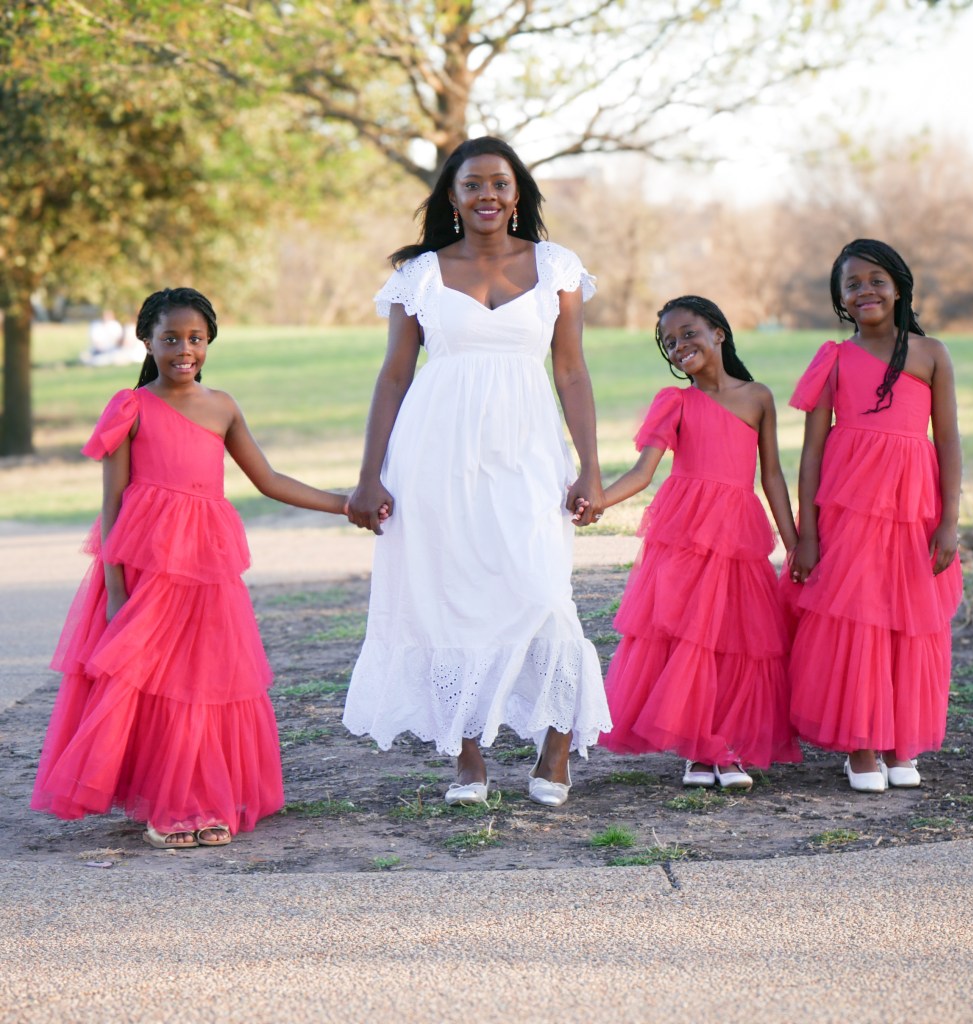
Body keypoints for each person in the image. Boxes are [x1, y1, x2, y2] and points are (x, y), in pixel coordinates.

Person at [343, 136, 611, 808]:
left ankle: (556, 743)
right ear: (452, 197)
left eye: (499, 183)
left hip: (526, 449)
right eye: (472, 185)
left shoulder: (555, 267)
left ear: (517, 192)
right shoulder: (420, 274)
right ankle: (467, 760)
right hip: (434, 453)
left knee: (543, 590)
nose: (486, 195)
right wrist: (369, 474)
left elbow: (571, 370)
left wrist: (590, 468)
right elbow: (395, 374)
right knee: (444, 596)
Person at [32, 287, 352, 848]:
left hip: (208, 568)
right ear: (147, 342)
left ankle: (203, 800)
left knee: (205, 683)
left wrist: (344, 502)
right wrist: (113, 589)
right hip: (146, 570)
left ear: (209, 342)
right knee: (154, 687)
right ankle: (167, 806)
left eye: (196, 339)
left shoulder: (223, 406)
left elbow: (269, 480)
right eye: (171, 339)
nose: (185, 350)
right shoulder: (129, 407)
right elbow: (111, 506)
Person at [598, 296, 801, 789]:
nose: (679, 345)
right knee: (689, 639)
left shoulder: (758, 398)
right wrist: (599, 501)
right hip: (685, 535)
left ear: (718, 333)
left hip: (737, 535)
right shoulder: (676, 402)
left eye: (688, 333)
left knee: (737, 640)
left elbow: (771, 476)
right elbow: (643, 472)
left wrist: (796, 544)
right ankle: (698, 749)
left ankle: (727, 746)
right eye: (669, 342)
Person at [786, 239, 962, 793]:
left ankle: (899, 742)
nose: (865, 290)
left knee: (907, 620)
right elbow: (811, 453)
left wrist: (950, 520)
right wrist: (807, 532)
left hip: (914, 508)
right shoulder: (834, 358)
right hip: (849, 506)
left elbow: (949, 441)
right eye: (852, 284)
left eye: (876, 280)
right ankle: (862, 745)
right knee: (858, 617)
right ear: (840, 299)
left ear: (899, 285)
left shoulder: (932, 353)